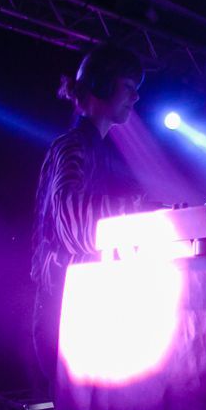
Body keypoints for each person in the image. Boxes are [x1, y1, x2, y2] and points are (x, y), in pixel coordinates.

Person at [30, 43, 153, 388]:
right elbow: (72, 222)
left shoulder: (98, 149)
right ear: (101, 85)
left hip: (78, 309)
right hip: (61, 315)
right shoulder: (72, 146)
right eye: (129, 86)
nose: (136, 97)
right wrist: (140, 212)